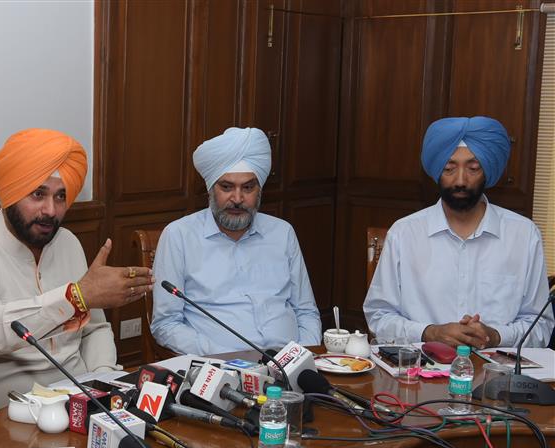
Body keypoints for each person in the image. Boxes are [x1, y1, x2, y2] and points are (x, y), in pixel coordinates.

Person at [0, 128, 153, 409]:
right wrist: (74, 298)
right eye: (38, 194)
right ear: (10, 193)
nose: (51, 210)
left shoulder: (68, 243)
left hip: (76, 401)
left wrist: (102, 382)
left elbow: (94, 330)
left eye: (61, 196)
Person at [364, 116, 553, 348]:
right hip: (420, 365)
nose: (460, 180)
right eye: (449, 168)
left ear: (487, 171)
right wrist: (430, 332)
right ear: (437, 171)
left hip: (496, 368)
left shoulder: (523, 235)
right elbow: (379, 316)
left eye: (473, 168)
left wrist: (496, 336)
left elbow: (540, 325)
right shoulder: (404, 233)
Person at [151, 127, 321, 355]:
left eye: (248, 187)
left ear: (259, 190)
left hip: (289, 362)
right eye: (227, 187)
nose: (238, 198)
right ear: (211, 189)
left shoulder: (282, 233)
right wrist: (226, 358)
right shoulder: (179, 236)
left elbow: (306, 312)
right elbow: (166, 324)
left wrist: (302, 357)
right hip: (219, 365)